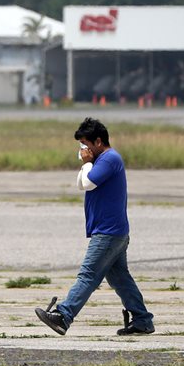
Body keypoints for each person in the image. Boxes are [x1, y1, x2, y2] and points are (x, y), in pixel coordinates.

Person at [35, 117, 154, 336]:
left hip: (108, 232)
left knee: (88, 275)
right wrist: (86, 163)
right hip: (113, 231)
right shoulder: (100, 161)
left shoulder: (109, 159)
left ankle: (64, 316)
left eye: (85, 144)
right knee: (121, 279)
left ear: (98, 142)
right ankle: (142, 320)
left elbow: (88, 182)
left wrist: (87, 163)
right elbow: (82, 183)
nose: (82, 149)